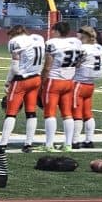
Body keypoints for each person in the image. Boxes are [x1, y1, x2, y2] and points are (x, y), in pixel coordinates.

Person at [40, 19, 85, 151]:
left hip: (54, 80)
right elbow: (80, 62)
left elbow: (47, 66)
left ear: (56, 31)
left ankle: (49, 145)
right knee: (67, 113)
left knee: (50, 113)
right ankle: (68, 144)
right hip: (69, 81)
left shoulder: (52, 43)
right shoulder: (76, 42)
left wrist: (42, 81)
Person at [2, 19, 48, 149]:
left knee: (11, 112)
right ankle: (28, 143)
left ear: (13, 34)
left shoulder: (16, 42)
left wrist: (7, 82)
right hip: (36, 78)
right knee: (31, 112)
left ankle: (3, 143)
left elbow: (15, 68)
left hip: (21, 79)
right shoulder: (38, 38)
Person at [71, 27, 102, 148]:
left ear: (83, 36)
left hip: (79, 84)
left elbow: (76, 64)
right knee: (88, 113)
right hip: (90, 85)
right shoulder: (99, 47)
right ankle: (89, 140)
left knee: (76, 113)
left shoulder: (83, 48)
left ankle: (74, 141)